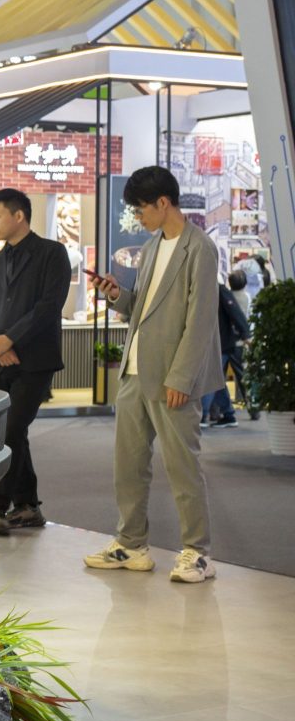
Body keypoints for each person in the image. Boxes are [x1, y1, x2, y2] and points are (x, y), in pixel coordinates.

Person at [86, 165, 223, 583]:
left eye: (141, 208)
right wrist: (117, 295)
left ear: (163, 203)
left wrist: (182, 377)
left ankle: (198, 552)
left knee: (183, 468)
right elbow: (141, 309)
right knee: (128, 466)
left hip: (171, 378)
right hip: (134, 371)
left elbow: (200, 320)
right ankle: (131, 544)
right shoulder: (149, 248)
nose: (138, 216)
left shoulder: (200, 249)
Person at [0, 187, 70, 536]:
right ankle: (28, 505)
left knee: (12, 428)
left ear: (19, 216)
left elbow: (50, 305)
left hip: (35, 359)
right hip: (0, 360)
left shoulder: (52, 253)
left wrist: (11, 338)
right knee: (12, 430)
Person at [199, 275, 251, 428]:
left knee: (210, 377)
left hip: (221, 343)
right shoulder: (209, 290)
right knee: (216, 379)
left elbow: (235, 312)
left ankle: (202, 415)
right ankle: (228, 415)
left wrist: (245, 334)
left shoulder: (218, 290)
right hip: (217, 342)